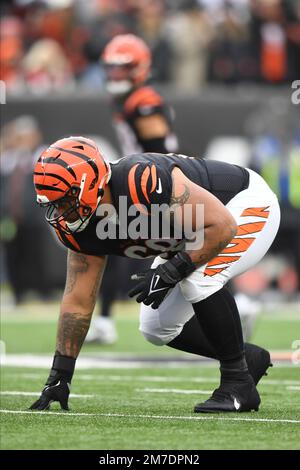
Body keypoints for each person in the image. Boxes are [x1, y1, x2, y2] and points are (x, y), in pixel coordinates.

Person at [30, 136, 279, 413]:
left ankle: (237, 383)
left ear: (89, 185)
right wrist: (60, 375)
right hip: (198, 231)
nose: (60, 212)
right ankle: (247, 358)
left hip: (242, 205)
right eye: (53, 204)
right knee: (156, 325)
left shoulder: (140, 181)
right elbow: (78, 302)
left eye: (64, 200)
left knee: (199, 279)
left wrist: (172, 270)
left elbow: (220, 226)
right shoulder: (80, 227)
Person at [85, 33, 179, 344]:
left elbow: (157, 150)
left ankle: (105, 320)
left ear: (139, 68)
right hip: (145, 180)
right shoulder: (127, 98)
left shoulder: (144, 101)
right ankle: (105, 320)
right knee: (112, 243)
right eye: (111, 68)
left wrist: (150, 187)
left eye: (122, 68)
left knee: (179, 248)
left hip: (155, 182)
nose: (114, 75)